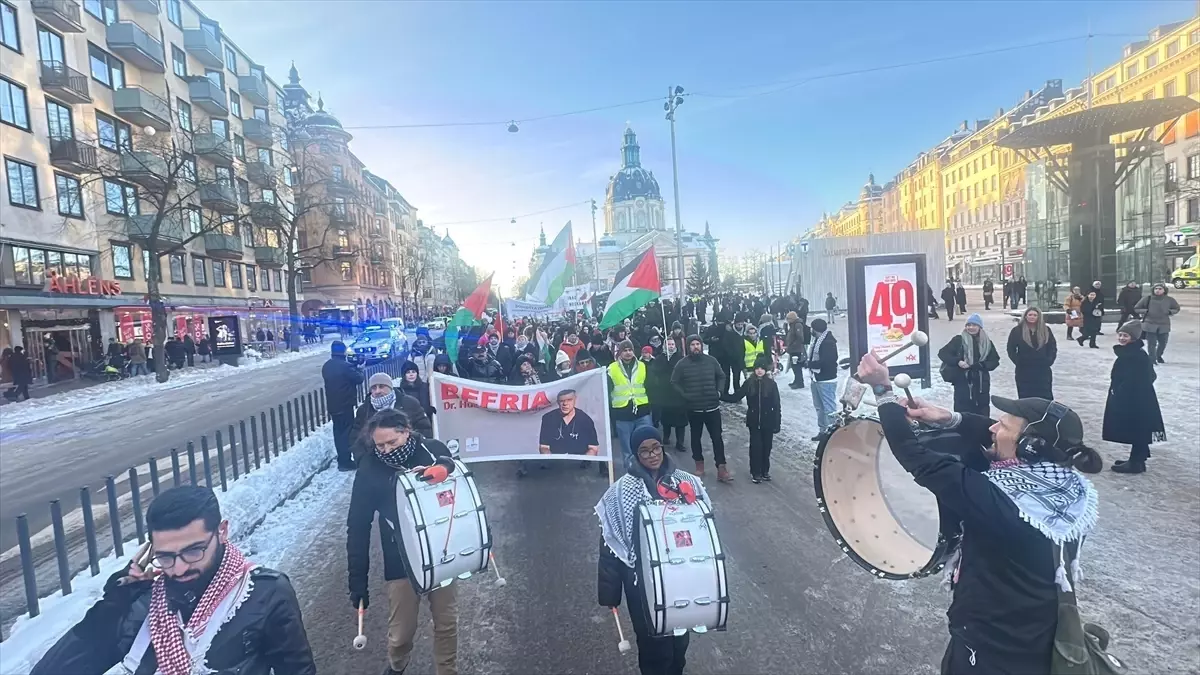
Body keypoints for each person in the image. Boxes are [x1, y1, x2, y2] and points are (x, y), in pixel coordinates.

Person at [855, 353, 1102, 675]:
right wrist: (947, 418)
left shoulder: (1001, 502)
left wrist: (883, 391)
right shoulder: (1064, 486)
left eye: (1004, 425)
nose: (993, 427)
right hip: (1034, 633)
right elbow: (991, 431)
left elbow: (919, 459)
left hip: (991, 646)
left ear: (1030, 447)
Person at [33, 486, 316, 675]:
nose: (179, 569)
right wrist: (111, 607)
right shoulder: (141, 605)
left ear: (222, 532)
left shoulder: (264, 593)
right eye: (165, 556)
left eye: (193, 551)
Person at [347, 409, 458, 675]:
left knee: (447, 623)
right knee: (401, 633)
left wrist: (445, 466)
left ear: (405, 431)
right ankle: (397, 665)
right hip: (401, 559)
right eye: (379, 445)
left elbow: (454, 468)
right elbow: (358, 527)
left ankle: (448, 670)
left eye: (391, 443)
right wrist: (357, 584)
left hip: (440, 550)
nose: (385, 450)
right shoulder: (370, 469)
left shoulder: (430, 450)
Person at [596, 426, 708, 675]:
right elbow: (609, 542)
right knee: (653, 647)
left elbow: (705, 531)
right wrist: (610, 592)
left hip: (681, 579)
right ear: (636, 455)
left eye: (655, 447)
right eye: (644, 451)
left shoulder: (686, 482)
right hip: (641, 584)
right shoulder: (621, 491)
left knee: (679, 643)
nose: (652, 455)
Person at [1103, 320, 1165, 475]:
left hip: (1135, 399)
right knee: (1139, 428)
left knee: (1138, 428)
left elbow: (1142, 377)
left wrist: (1122, 391)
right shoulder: (1131, 353)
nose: (1122, 338)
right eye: (1120, 335)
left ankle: (1136, 463)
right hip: (1138, 398)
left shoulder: (1136, 356)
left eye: (1126, 335)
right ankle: (1138, 459)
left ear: (1135, 338)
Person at [671, 335, 730, 482]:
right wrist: (685, 395)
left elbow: (721, 376)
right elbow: (674, 382)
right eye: (692, 344)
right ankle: (699, 466)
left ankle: (721, 468)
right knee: (695, 438)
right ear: (688, 347)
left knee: (717, 438)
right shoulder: (682, 364)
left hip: (712, 407)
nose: (695, 347)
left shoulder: (711, 361)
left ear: (701, 345)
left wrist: (719, 392)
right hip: (694, 409)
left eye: (698, 344)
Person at [724, 353, 781, 484]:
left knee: (767, 447)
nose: (759, 370)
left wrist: (777, 422)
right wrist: (721, 395)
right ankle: (755, 472)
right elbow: (736, 396)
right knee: (756, 447)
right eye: (757, 368)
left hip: (768, 421)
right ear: (754, 370)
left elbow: (777, 405)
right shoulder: (749, 383)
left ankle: (764, 471)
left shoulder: (771, 385)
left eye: (761, 368)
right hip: (754, 421)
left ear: (765, 370)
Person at [937, 313, 1000, 416]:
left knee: (982, 410)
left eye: (974, 325)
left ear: (980, 327)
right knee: (963, 410)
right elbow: (943, 353)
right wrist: (958, 361)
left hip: (981, 383)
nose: (970, 327)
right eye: (968, 325)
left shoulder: (987, 343)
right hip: (963, 381)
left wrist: (982, 365)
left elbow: (994, 361)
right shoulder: (958, 340)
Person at [608, 340, 654, 469]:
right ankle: (631, 474)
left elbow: (650, 386)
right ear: (620, 353)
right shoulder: (611, 368)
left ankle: (648, 470)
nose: (628, 353)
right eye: (625, 350)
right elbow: (607, 389)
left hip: (642, 410)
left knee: (647, 443)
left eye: (630, 350)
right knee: (627, 449)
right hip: (622, 413)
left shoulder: (642, 366)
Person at [354, 371, 434, 443]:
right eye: (374, 388)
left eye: (381, 386)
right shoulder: (364, 410)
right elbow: (356, 437)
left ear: (390, 387)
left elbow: (424, 429)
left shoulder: (409, 403)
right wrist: (363, 457)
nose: (377, 391)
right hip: (374, 456)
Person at [323, 340, 364, 471]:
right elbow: (359, 379)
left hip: (333, 405)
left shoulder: (326, 366)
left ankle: (342, 458)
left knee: (338, 432)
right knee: (346, 433)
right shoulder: (345, 367)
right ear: (343, 351)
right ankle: (345, 462)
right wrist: (359, 368)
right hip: (345, 404)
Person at [1006, 308, 1056, 400]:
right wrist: (1019, 361)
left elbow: (1052, 347)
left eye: (1035, 315)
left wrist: (1049, 360)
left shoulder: (1046, 330)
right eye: (1030, 315)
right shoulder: (1017, 330)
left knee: (1044, 396)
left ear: (1039, 317)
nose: (1032, 317)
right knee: (1026, 396)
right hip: (1024, 370)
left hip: (1042, 369)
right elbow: (1011, 348)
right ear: (1025, 316)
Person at [538, 389, 600, 458]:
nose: (565, 404)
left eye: (569, 400)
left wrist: (584, 462)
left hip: (580, 464)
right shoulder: (548, 419)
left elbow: (593, 448)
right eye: (562, 401)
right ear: (558, 402)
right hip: (555, 463)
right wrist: (551, 461)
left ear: (575, 400)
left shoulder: (585, 420)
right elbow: (544, 447)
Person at [649, 340, 687, 452]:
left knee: (681, 420)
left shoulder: (681, 358)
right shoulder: (660, 358)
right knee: (666, 419)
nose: (670, 346)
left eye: (672, 344)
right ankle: (666, 437)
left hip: (679, 392)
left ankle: (680, 442)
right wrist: (665, 363)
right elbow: (655, 370)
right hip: (665, 393)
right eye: (668, 344)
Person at [807, 318, 838, 441]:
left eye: (812, 328)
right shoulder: (818, 340)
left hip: (826, 379)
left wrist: (809, 364)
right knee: (819, 407)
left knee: (829, 408)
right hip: (816, 377)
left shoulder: (827, 343)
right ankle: (823, 431)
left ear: (815, 329)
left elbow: (827, 362)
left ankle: (832, 434)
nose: (810, 330)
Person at [1133, 282, 1180, 365]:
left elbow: (1176, 308)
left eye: (1160, 289)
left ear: (1164, 290)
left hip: (1164, 324)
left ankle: (1158, 355)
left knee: (1163, 343)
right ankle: (1152, 359)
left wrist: (1170, 312)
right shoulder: (1147, 299)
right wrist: (1145, 311)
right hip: (1150, 324)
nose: (1158, 290)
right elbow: (1137, 308)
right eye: (1156, 289)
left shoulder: (1169, 299)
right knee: (1152, 343)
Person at [784, 311, 809, 390]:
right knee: (794, 366)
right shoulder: (792, 324)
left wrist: (793, 345)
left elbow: (800, 337)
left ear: (792, 318)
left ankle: (799, 382)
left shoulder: (797, 325)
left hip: (796, 350)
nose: (787, 320)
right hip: (793, 349)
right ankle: (796, 380)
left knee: (797, 366)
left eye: (788, 319)